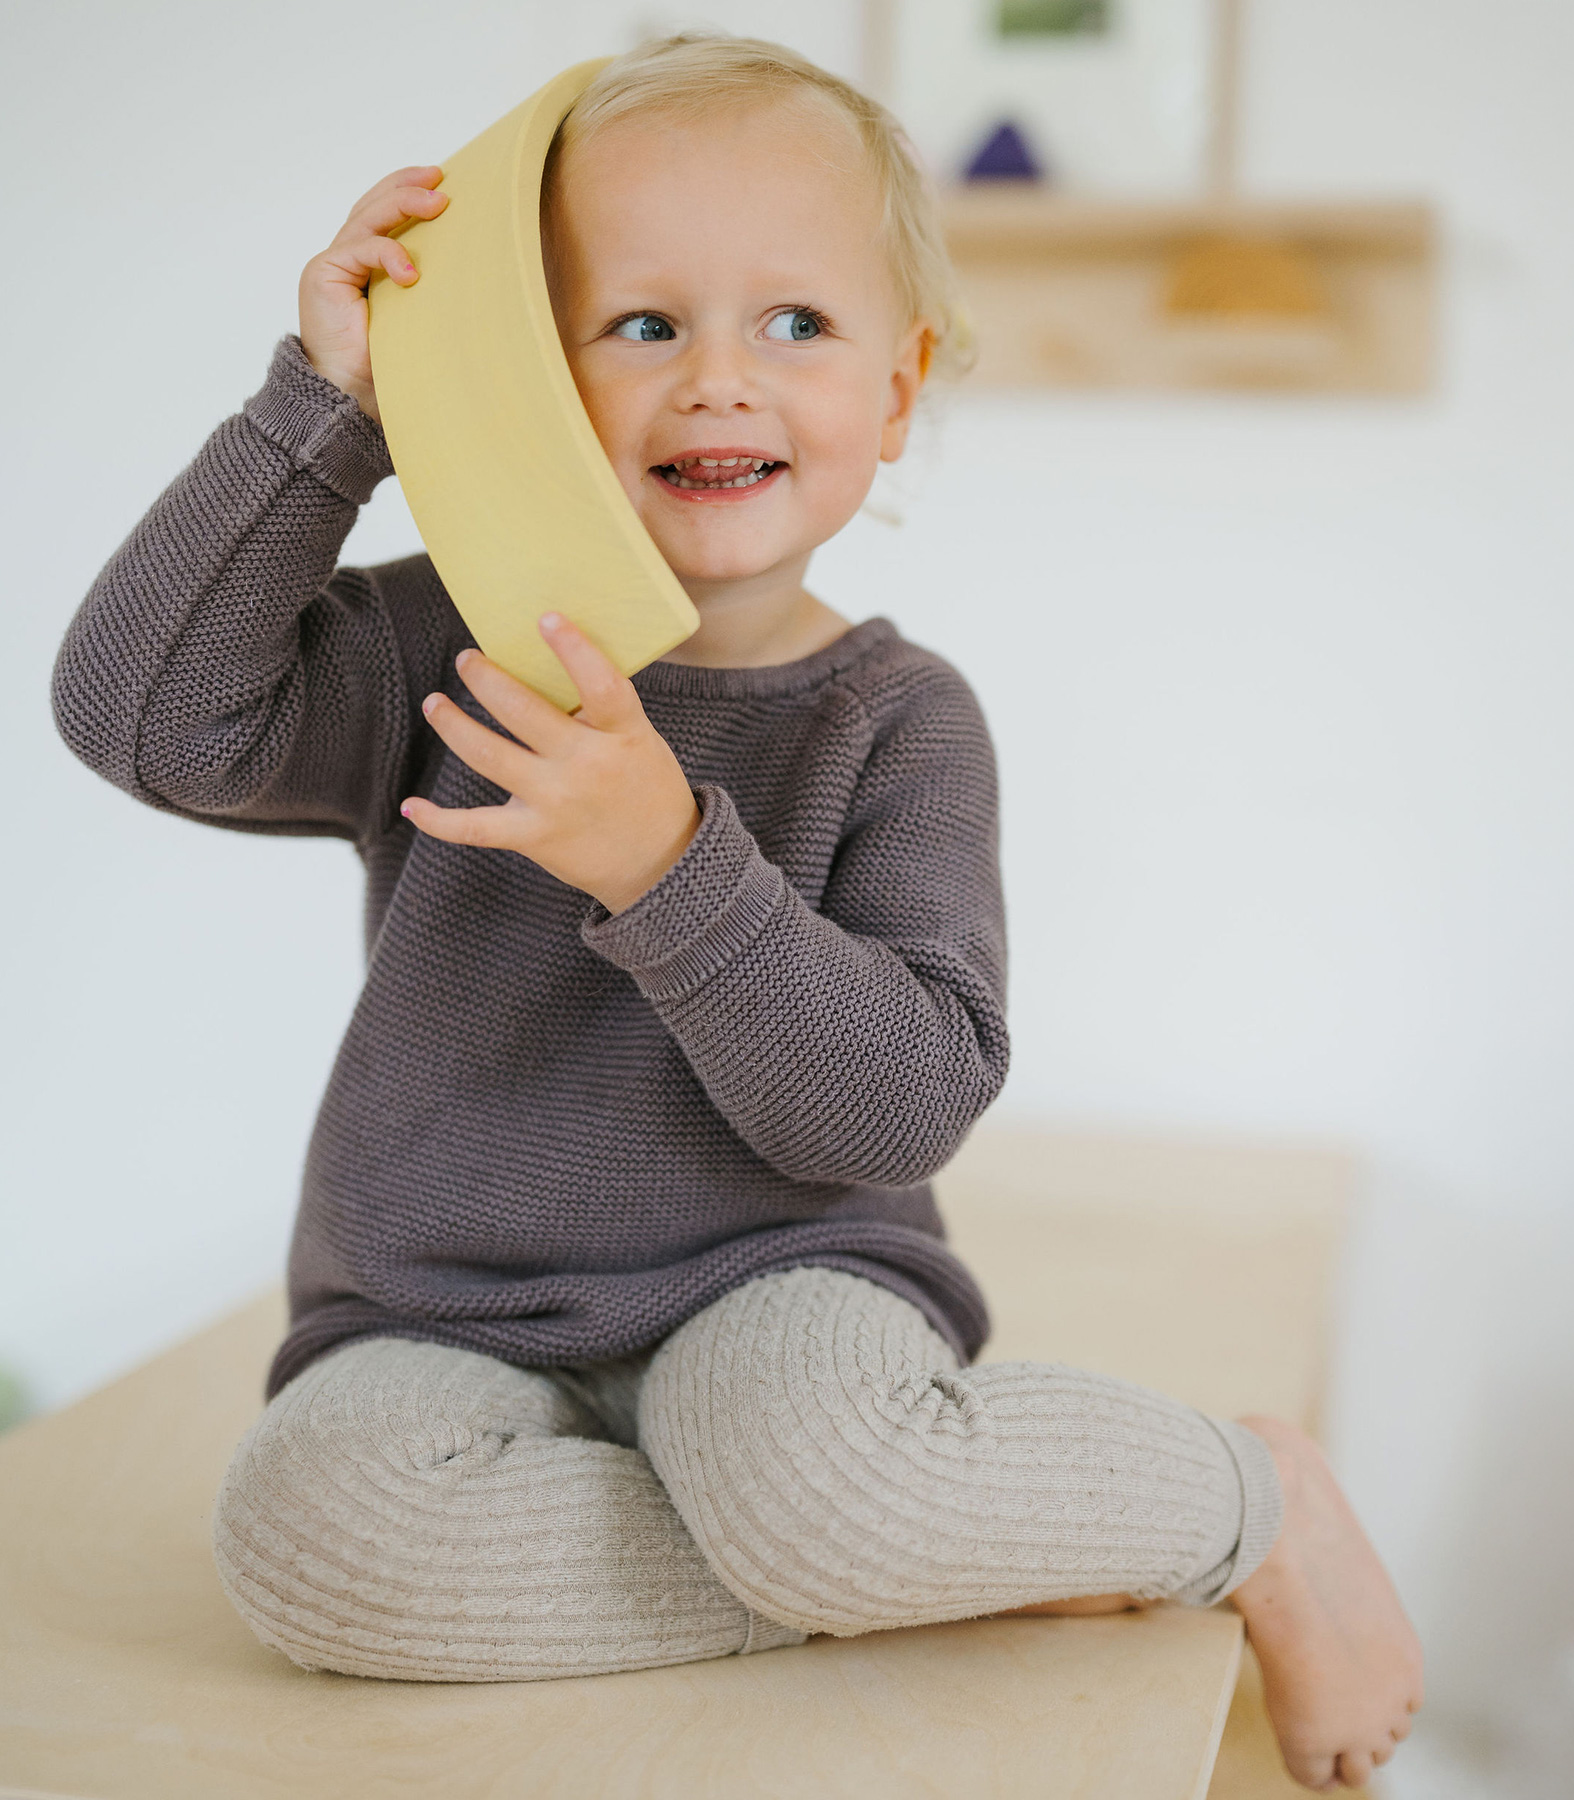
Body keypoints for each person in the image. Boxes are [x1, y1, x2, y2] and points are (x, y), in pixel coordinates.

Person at [48, 33, 1420, 1790]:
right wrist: (327, 416)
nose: (717, 381)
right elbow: (142, 715)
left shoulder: (899, 722)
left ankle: (1250, 1500)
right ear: (528, 375)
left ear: (900, 392)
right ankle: (957, 1542)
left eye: (795, 324)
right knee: (316, 1546)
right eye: (641, 325)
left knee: (823, 1482)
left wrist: (663, 857)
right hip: (438, 1310)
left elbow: (897, 1106)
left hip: (784, 1278)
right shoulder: (439, 650)